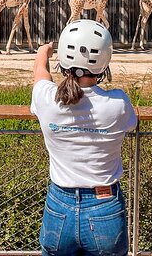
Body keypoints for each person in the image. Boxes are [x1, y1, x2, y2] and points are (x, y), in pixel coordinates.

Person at [31, 19, 138, 256]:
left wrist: (42, 54)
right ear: (104, 62)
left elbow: (41, 75)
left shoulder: (47, 99)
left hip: (60, 204)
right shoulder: (118, 103)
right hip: (104, 205)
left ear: (63, 61)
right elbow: (132, 124)